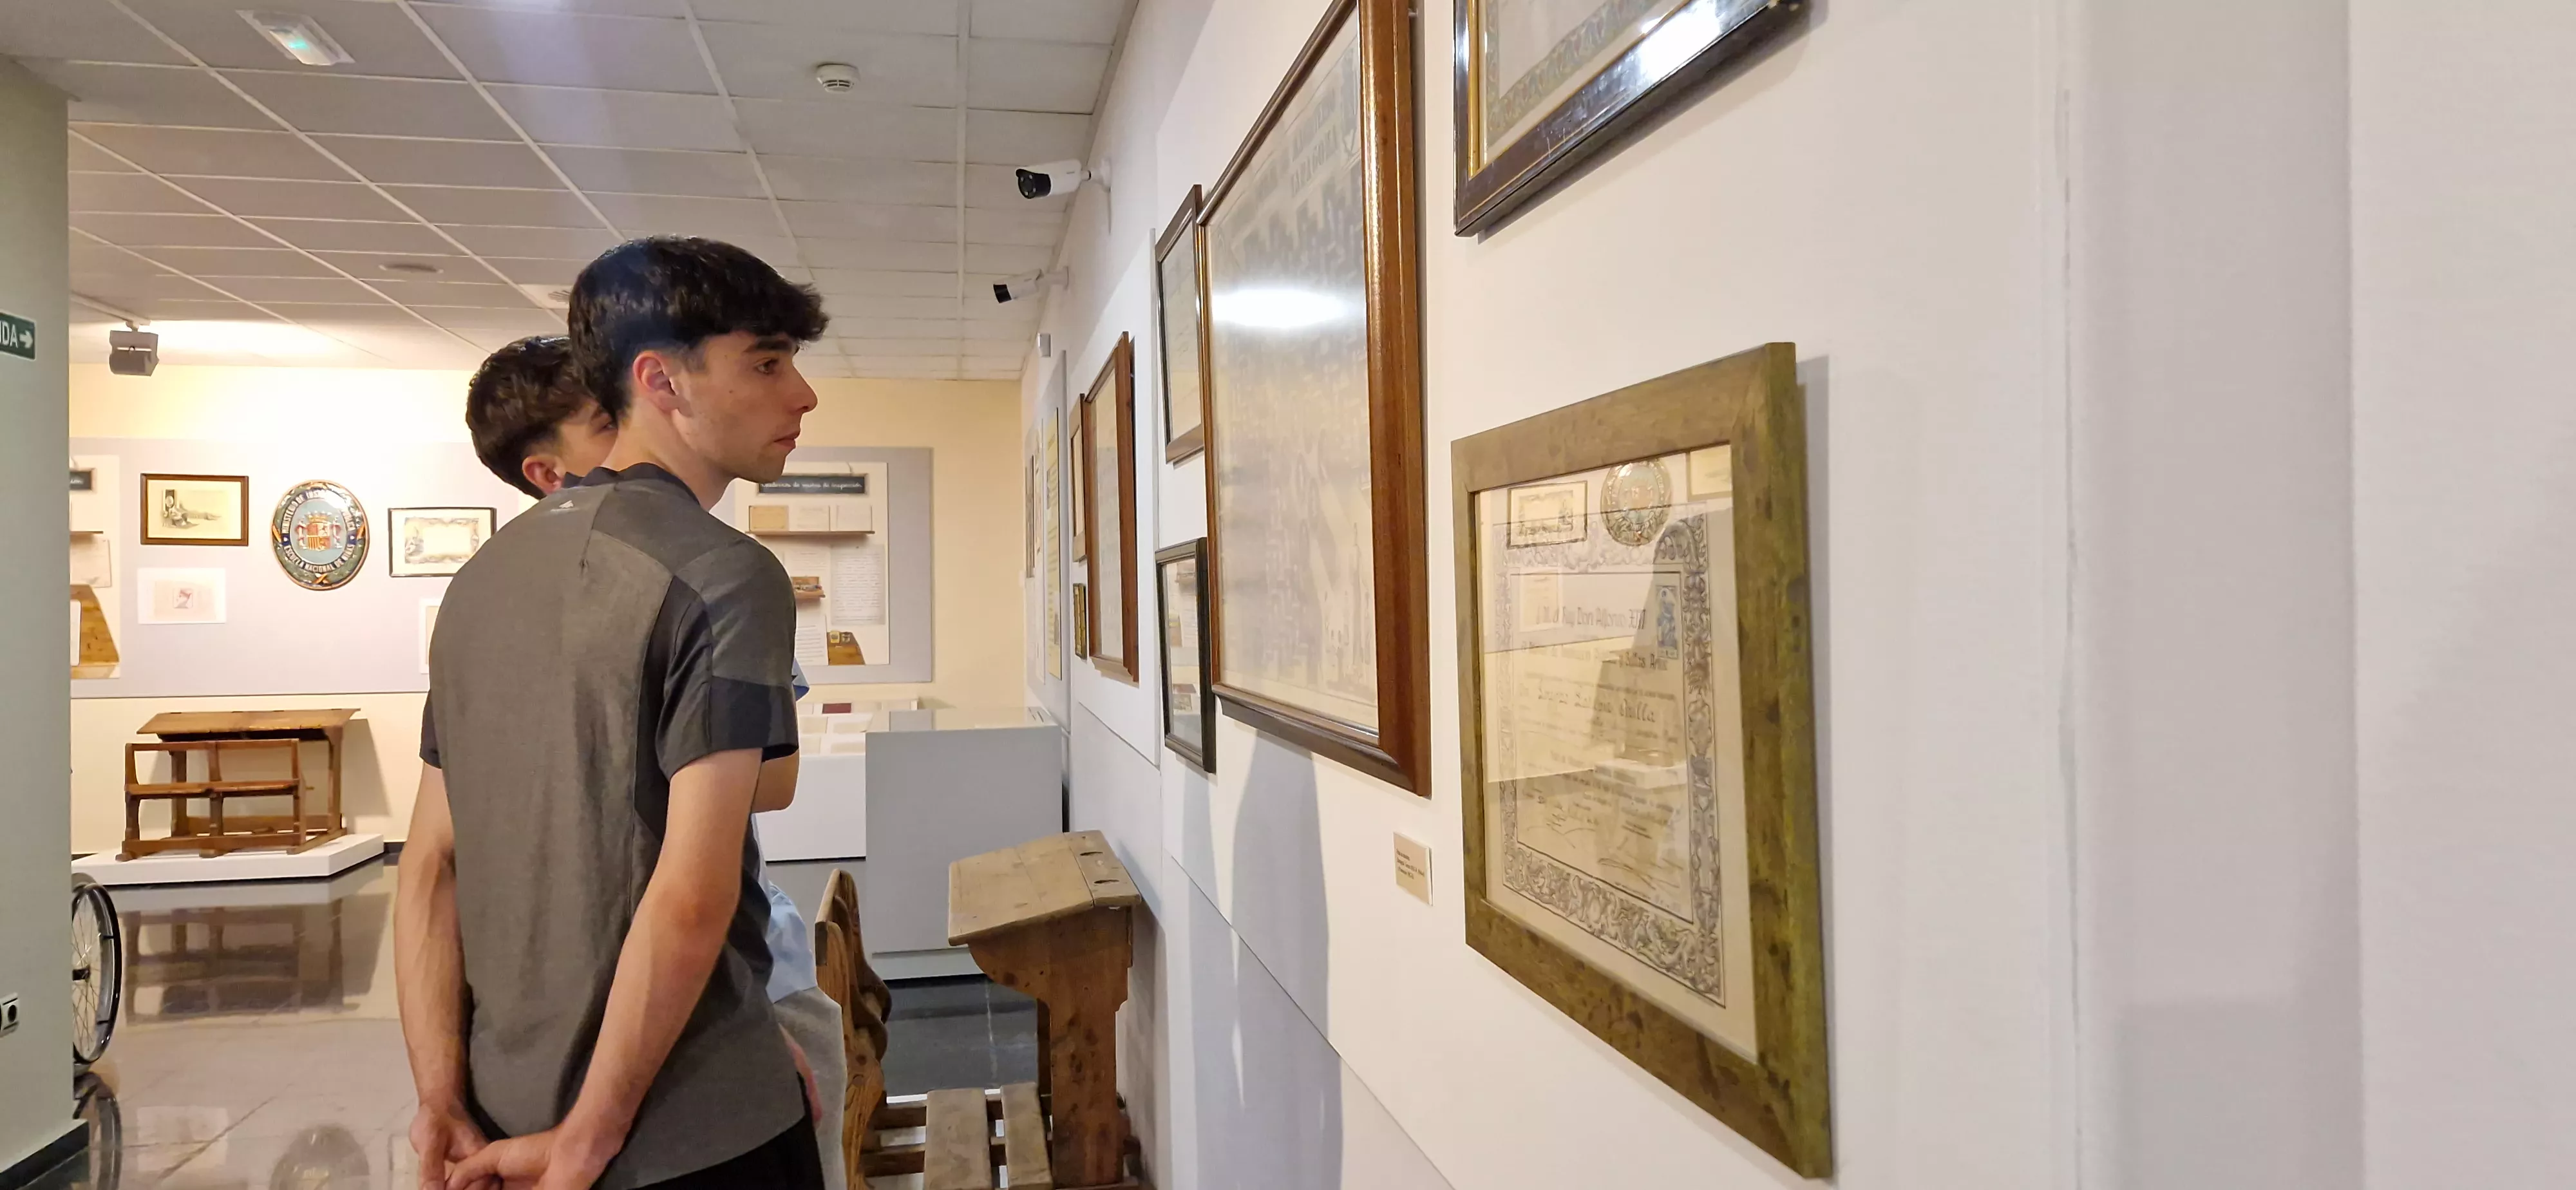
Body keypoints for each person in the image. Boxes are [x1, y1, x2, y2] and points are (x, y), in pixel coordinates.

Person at [396, 236, 831, 1190]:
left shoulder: (480, 579)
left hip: (505, 1111)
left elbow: (428, 869)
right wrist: (592, 1137)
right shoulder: (723, 574)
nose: (801, 394)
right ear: (661, 380)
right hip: (686, 1127)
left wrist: (439, 1102)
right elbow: (690, 893)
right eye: (766, 361)